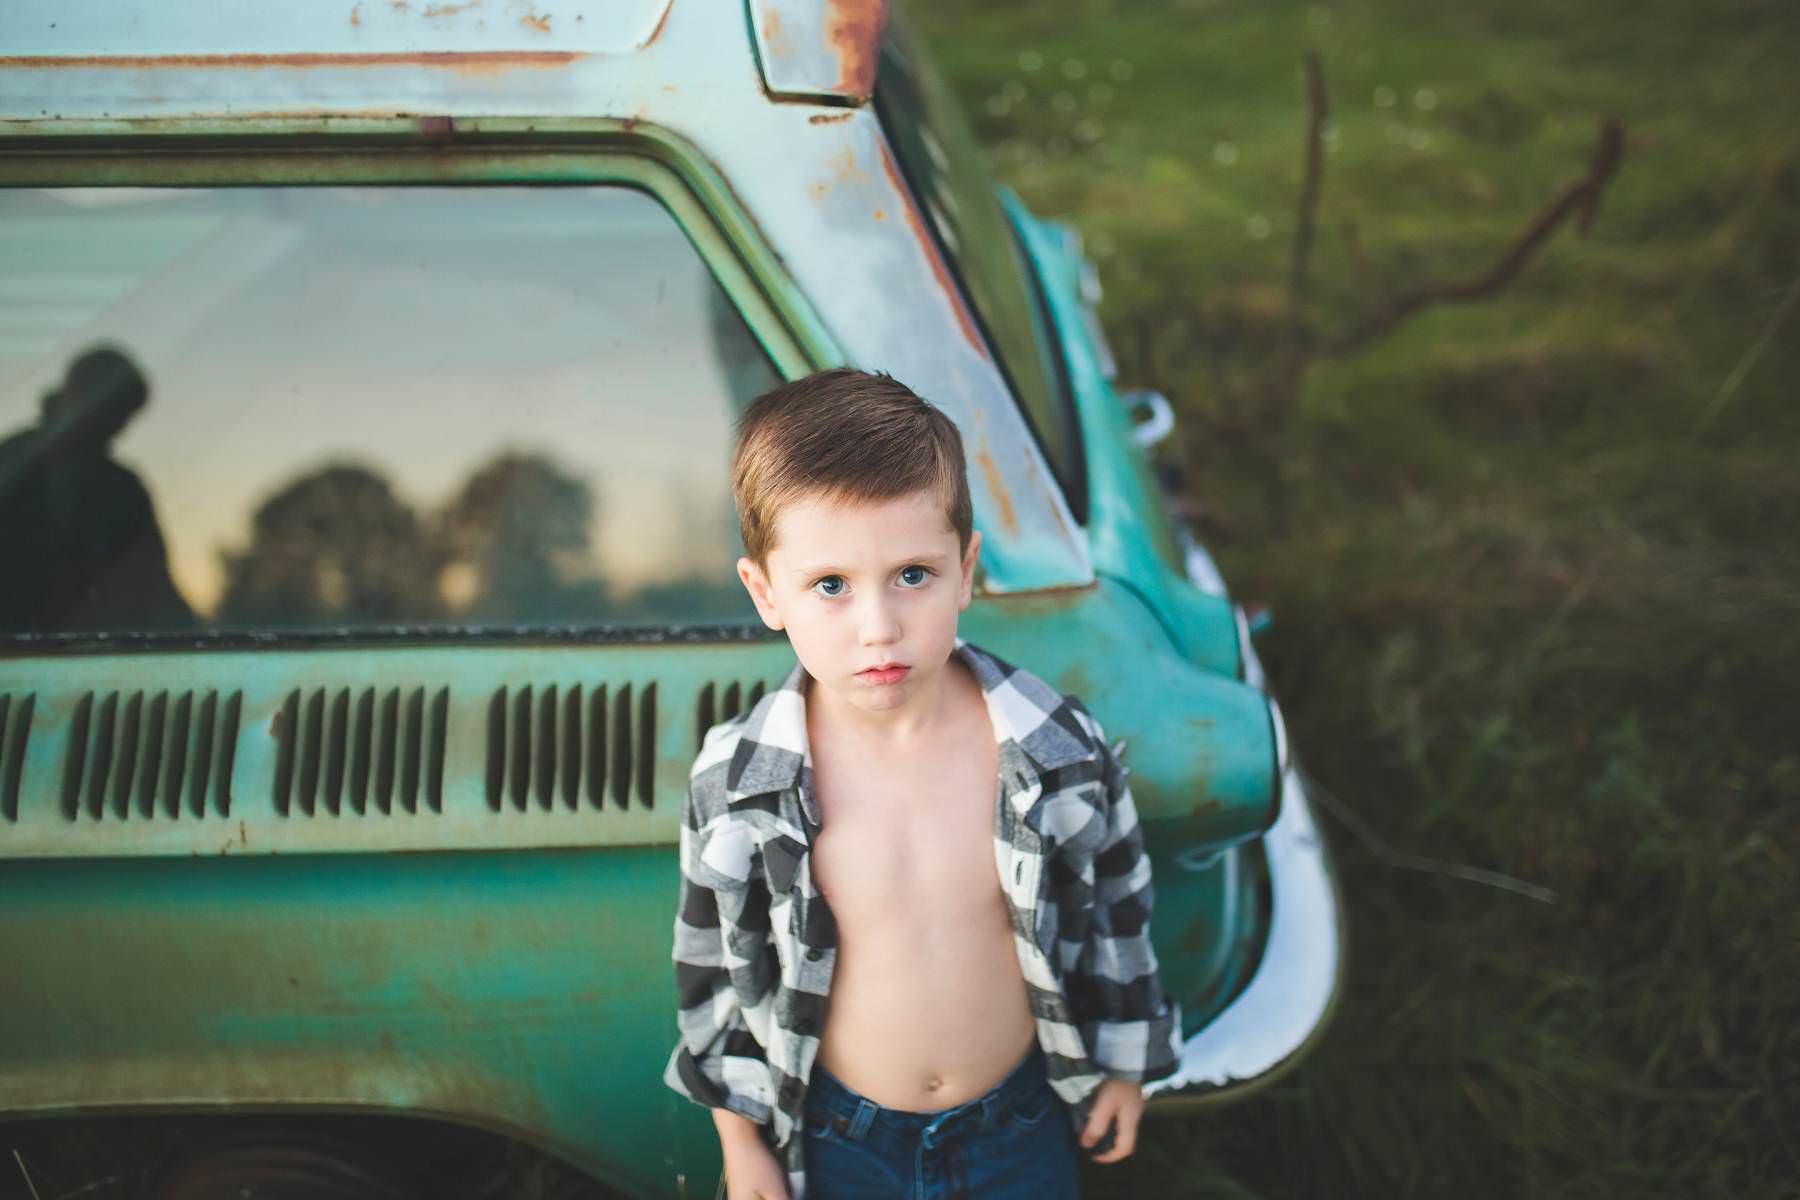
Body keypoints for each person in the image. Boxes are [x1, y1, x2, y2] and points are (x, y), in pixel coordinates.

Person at [664, 369, 1179, 1199]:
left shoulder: (1053, 749)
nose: (879, 627)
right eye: (830, 586)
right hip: (839, 1139)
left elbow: (1119, 911)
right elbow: (717, 969)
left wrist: (1125, 1065)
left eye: (912, 575)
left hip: (1019, 1123)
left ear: (965, 569)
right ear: (766, 593)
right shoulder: (739, 781)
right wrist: (742, 1142)